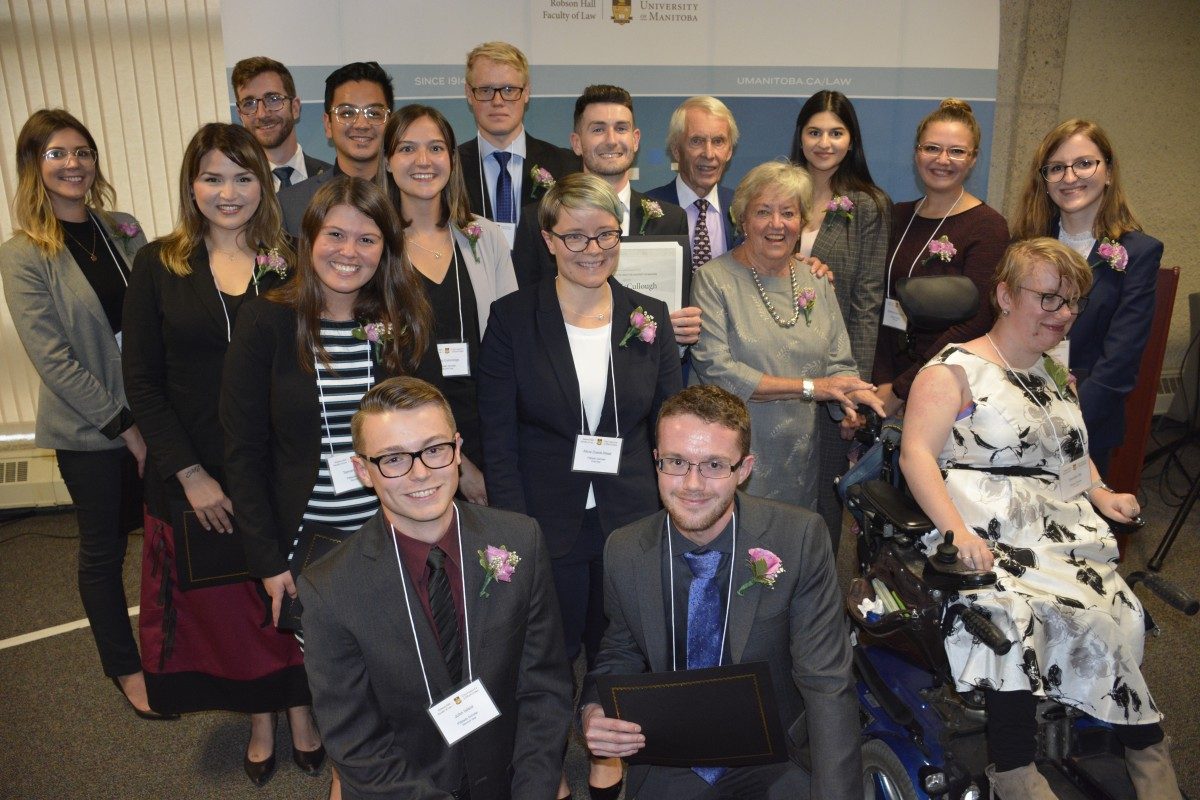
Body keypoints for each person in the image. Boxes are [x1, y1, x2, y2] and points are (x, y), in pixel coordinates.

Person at [901, 238, 1183, 800]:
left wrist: (1102, 492)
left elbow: (1068, 450)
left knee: (1115, 613)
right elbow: (916, 457)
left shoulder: (1056, 371)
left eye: (1073, 302)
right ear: (1005, 295)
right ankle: (1014, 768)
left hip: (1063, 530)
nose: (1064, 315)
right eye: (1049, 299)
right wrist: (958, 532)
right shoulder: (953, 372)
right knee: (1018, 614)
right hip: (985, 532)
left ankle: (1145, 745)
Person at [121, 123, 318, 785]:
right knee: (233, 612)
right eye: (212, 178)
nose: (227, 192)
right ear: (191, 186)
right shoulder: (158, 263)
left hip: (279, 470)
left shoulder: (294, 258)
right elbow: (142, 381)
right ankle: (262, 718)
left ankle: (301, 711)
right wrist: (192, 473)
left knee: (284, 597)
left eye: (242, 177)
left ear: (263, 185)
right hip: (196, 471)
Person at [478, 172, 683, 798]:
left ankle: (604, 755)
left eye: (605, 235)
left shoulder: (649, 316)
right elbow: (498, 435)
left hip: (629, 514)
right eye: (575, 237)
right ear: (548, 239)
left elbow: (668, 422)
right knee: (544, 650)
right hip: (544, 515)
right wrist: (514, 527)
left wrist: (672, 507)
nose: (592, 249)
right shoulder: (512, 318)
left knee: (619, 642)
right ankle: (539, 765)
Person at [581, 384, 861, 800]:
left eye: (713, 464)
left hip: (777, 755)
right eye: (676, 462)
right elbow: (620, 648)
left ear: (744, 469)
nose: (692, 484)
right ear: (656, 460)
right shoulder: (625, 548)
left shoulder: (798, 537)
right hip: (668, 754)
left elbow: (826, 682)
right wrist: (593, 709)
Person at [299, 376, 573, 799]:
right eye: (393, 459)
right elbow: (356, 741)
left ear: (458, 450)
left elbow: (544, 689)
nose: (420, 473)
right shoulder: (329, 588)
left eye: (434, 449)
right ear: (363, 471)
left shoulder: (521, 541)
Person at [0, 109, 159, 718]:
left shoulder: (124, 228)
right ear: (34, 168)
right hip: (89, 432)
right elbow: (54, 361)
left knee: (165, 544)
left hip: (150, 412)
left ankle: (174, 649)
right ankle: (125, 668)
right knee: (103, 551)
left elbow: (152, 320)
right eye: (57, 154)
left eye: (82, 152)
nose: (73, 164)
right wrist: (127, 428)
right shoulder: (24, 255)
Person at [689, 160, 883, 510]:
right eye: (763, 212)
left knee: (787, 552)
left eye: (788, 213)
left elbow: (840, 362)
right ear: (742, 220)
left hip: (798, 458)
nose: (777, 224)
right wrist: (812, 387)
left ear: (802, 221)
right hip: (731, 453)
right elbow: (718, 371)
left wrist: (850, 402)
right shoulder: (713, 280)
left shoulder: (817, 280)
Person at [380, 103, 518, 506]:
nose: (423, 161)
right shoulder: (375, 245)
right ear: (388, 163)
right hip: (408, 446)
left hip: (485, 429)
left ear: (452, 160)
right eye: (407, 149)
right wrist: (458, 466)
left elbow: (510, 349)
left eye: (436, 148)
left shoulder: (484, 236)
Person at [1011, 119, 1163, 478]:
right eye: (1057, 168)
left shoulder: (1138, 252)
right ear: (1044, 181)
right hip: (1014, 411)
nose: (1069, 177)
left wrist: (1066, 422)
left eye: (1083, 163)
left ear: (1108, 172)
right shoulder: (1022, 244)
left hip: (1086, 419)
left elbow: (1121, 360)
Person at [512, 84, 701, 349]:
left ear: (635, 139)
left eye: (621, 128)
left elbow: (675, 316)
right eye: (598, 129)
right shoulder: (538, 219)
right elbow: (524, 311)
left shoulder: (670, 219)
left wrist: (680, 326)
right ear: (577, 143)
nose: (611, 139)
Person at [789, 90, 891, 551]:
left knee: (825, 498)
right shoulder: (781, 192)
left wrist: (857, 390)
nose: (824, 142)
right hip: (778, 364)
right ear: (801, 136)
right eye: (814, 132)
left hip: (833, 368)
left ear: (851, 140)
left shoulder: (867, 204)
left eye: (836, 132)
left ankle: (820, 608)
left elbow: (868, 300)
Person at [871, 98, 1008, 417]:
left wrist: (903, 389)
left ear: (973, 159)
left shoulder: (988, 227)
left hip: (943, 385)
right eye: (931, 148)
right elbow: (877, 303)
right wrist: (883, 380)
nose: (942, 159)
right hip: (883, 380)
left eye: (957, 151)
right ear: (917, 152)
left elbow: (978, 321)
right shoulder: (898, 215)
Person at [456, 41, 580, 234]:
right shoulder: (449, 167)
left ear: (527, 92)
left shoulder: (566, 166)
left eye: (508, 90)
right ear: (469, 94)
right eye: (486, 90)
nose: (498, 102)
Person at [278, 61, 394, 235]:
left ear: (390, 123)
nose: (361, 124)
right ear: (328, 124)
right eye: (347, 113)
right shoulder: (290, 205)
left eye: (374, 113)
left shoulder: (412, 198)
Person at [645, 95, 740, 271]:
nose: (709, 154)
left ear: (729, 151)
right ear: (676, 150)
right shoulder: (646, 209)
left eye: (718, 141)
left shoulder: (744, 207)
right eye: (696, 141)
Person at [231, 56, 331, 190]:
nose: (262, 114)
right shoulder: (236, 189)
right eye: (249, 103)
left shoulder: (333, 180)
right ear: (240, 115)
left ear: (295, 108)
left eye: (273, 99)